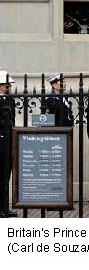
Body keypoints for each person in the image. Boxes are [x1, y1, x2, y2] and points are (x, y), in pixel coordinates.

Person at [0, 70, 17, 217]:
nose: (9, 88)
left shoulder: (10, 100)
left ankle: (5, 207)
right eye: (7, 86)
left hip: (8, 140)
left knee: (6, 175)